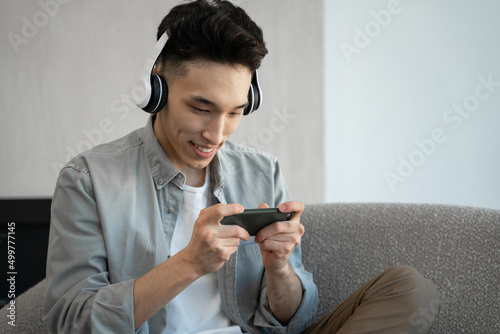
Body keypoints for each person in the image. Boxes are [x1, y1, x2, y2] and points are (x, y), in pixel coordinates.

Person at [43, 1, 440, 333]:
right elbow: (71, 322)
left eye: (235, 112)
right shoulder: (89, 180)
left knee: (409, 289)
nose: (217, 134)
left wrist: (280, 268)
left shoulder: (261, 172)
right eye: (201, 108)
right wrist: (188, 263)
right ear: (156, 88)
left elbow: (291, 321)